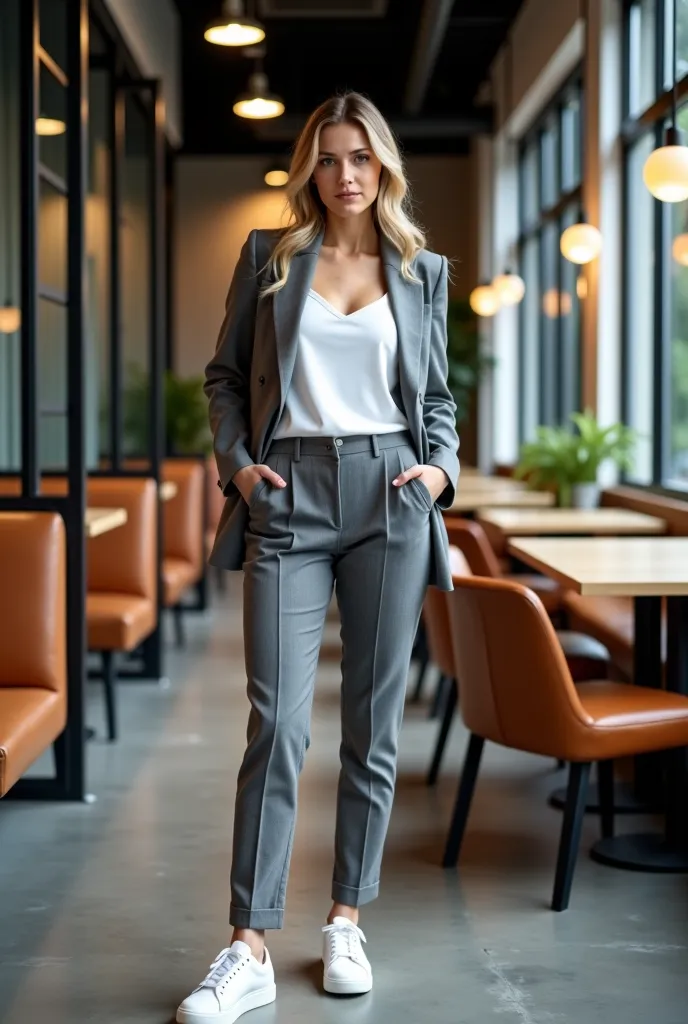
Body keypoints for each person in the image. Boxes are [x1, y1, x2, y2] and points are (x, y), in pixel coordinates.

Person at [176, 90, 460, 1024]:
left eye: (362, 160)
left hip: (390, 494)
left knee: (372, 729)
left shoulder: (422, 272)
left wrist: (439, 472)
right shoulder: (270, 256)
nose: (346, 175)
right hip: (288, 495)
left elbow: (438, 398)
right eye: (331, 159)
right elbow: (224, 376)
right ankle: (247, 944)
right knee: (279, 723)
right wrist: (242, 471)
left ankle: (345, 919)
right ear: (311, 167)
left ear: (384, 169)